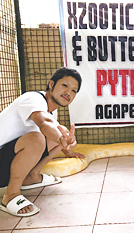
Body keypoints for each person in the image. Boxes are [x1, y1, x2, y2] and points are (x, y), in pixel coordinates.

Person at [0, 67, 84, 217]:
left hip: (7, 162)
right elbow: (43, 123)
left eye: (74, 91)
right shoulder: (33, 98)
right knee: (37, 138)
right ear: (51, 84)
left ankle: (31, 176)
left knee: (60, 130)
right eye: (65, 86)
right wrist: (59, 138)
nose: (68, 93)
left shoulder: (51, 109)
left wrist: (67, 148)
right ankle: (10, 195)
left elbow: (51, 126)